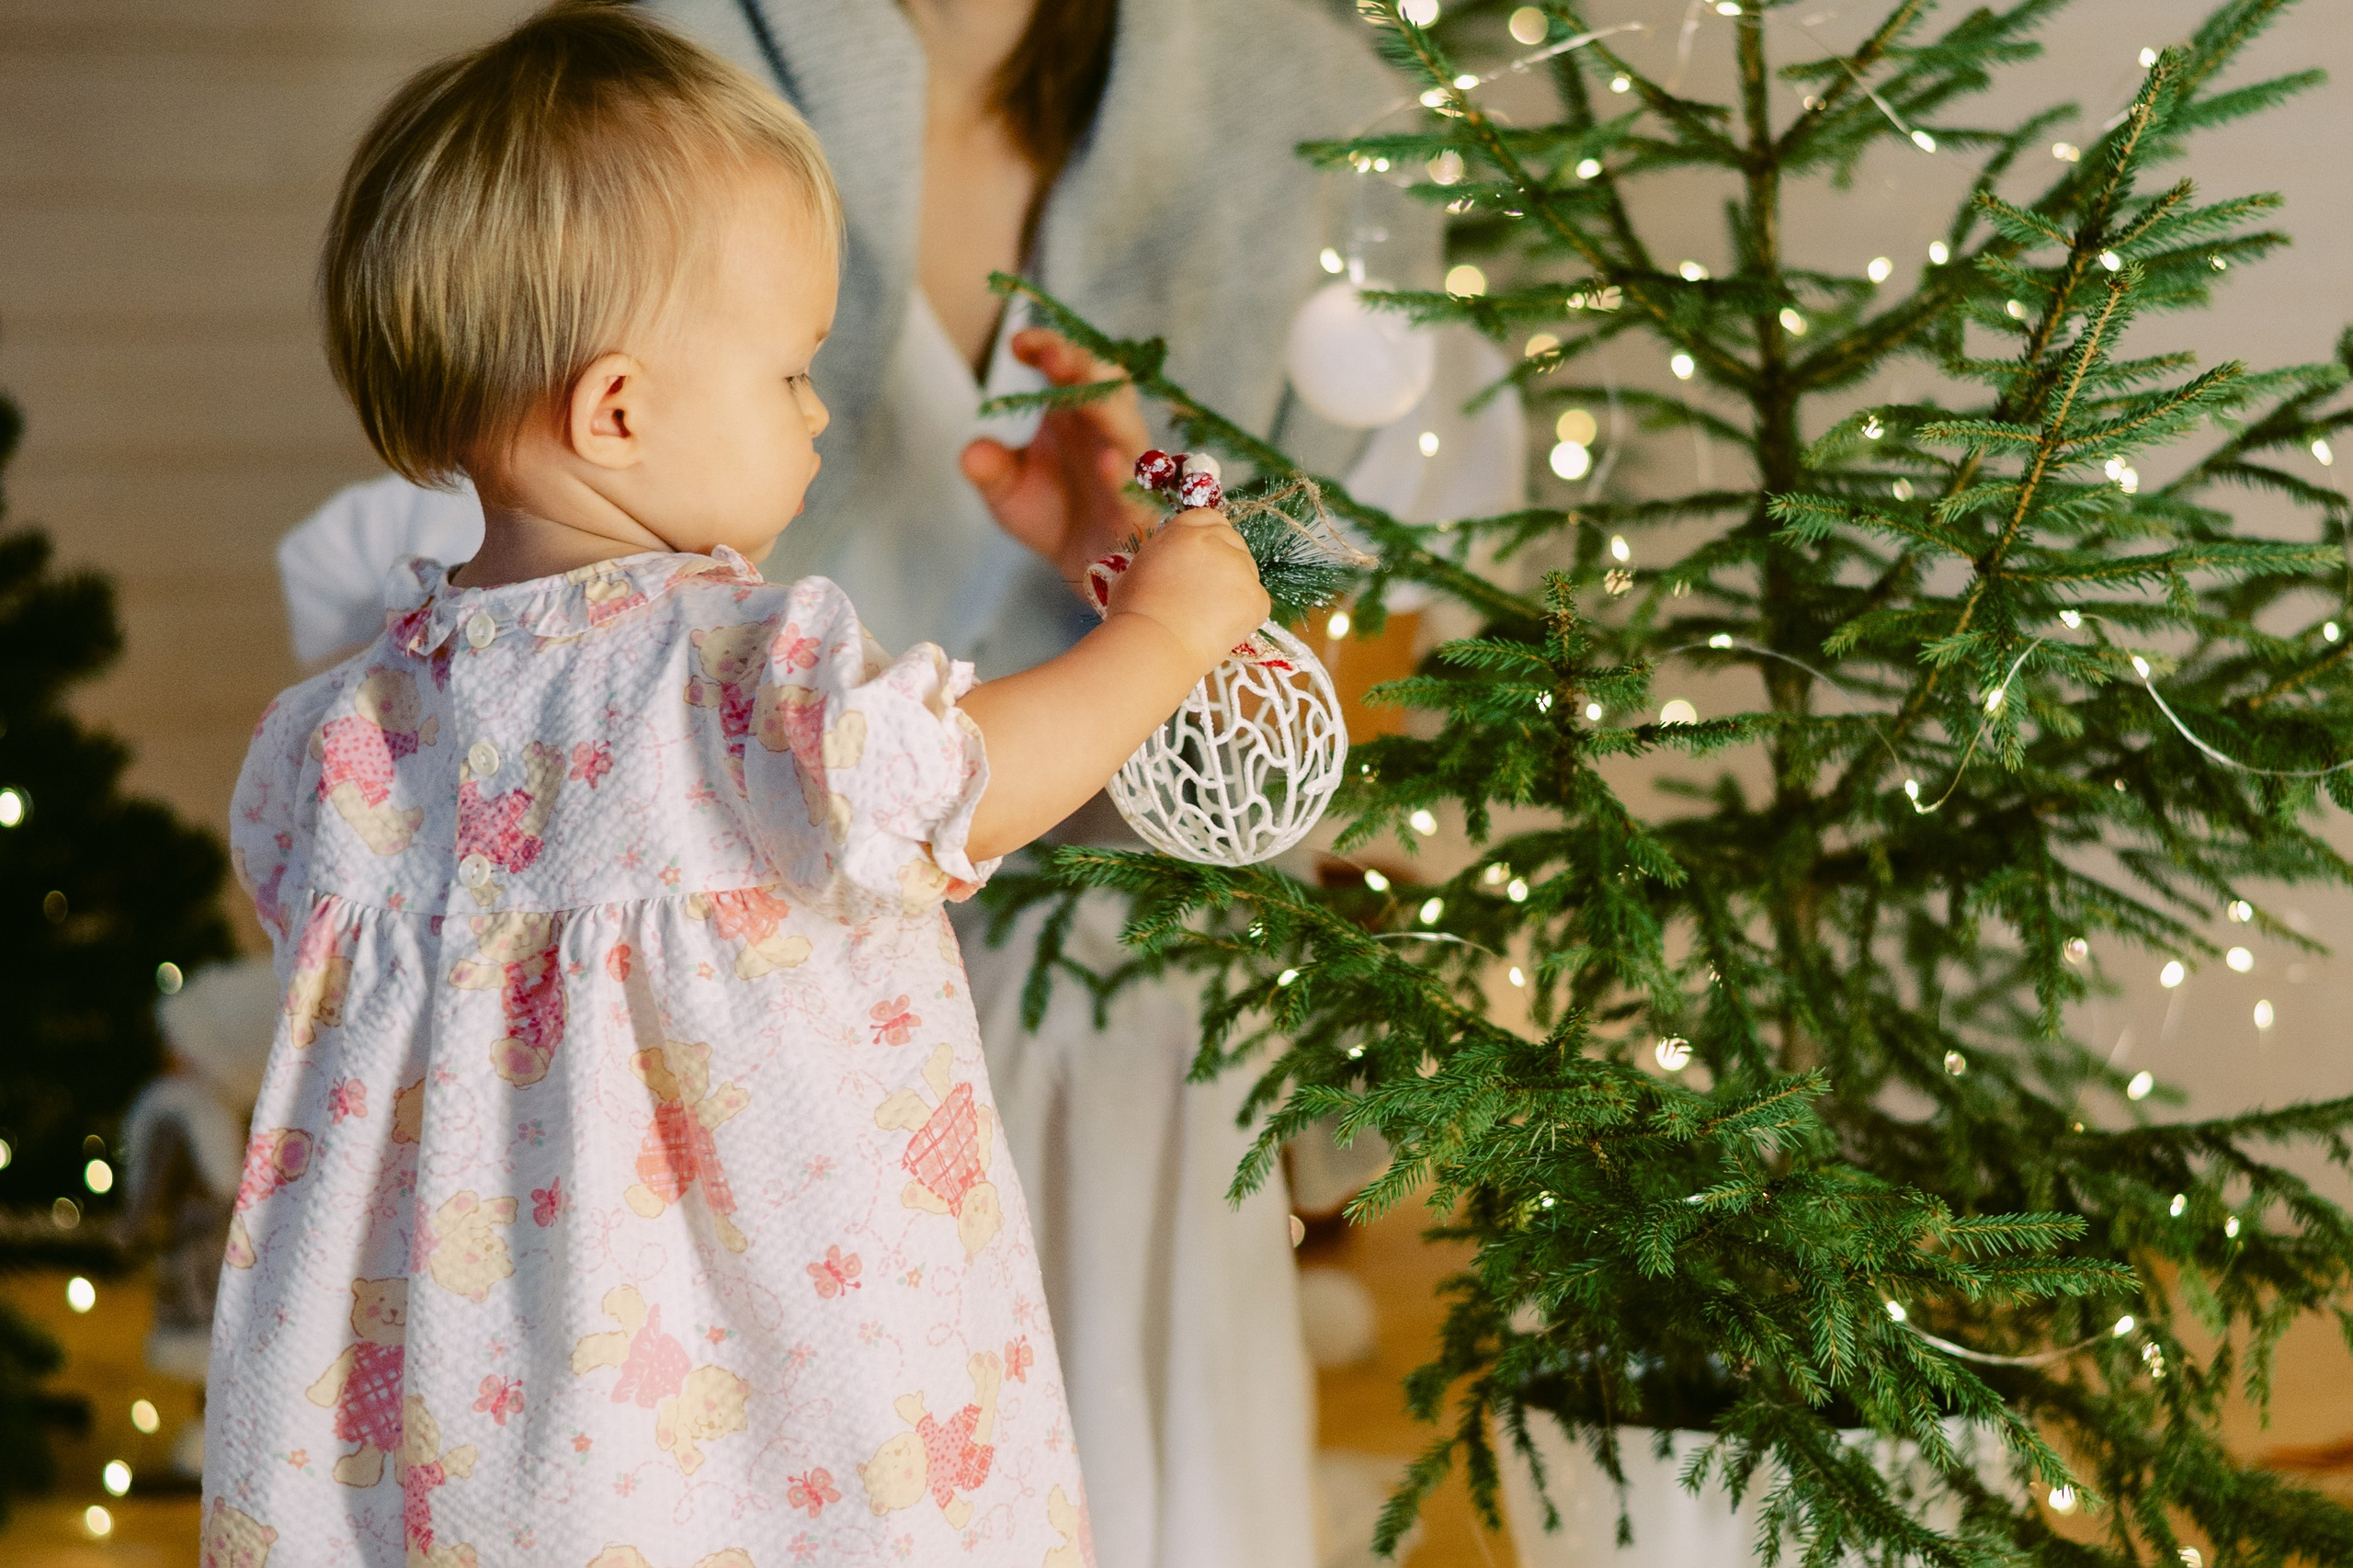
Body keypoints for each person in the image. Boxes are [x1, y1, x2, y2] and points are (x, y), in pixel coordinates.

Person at [268, 5, 1518, 1564]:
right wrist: (1165, 618)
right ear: (618, 414)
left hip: (484, 1404)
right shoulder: (741, 667)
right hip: (739, 1375)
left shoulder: (356, 720)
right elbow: (959, 788)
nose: (816, 409)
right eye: (792, 372)